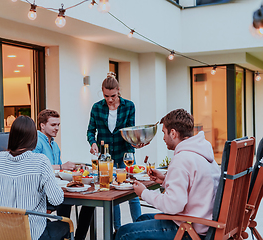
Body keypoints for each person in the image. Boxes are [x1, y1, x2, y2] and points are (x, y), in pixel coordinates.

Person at [115, 109, 221, 240]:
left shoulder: (182, 159)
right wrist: (165, 180)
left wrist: (144, 193)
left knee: (124, 233)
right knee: (141, 219)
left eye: (164, 133)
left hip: (190, 228)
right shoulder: (202, 152)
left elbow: (173, 205)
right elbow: (196, 185)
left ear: (173, 133)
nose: (163, 138)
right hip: (205, 222)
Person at [0, 116, 69, 240]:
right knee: (65, 226)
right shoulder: (40, 161)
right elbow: (56, 200)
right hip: (33, 233)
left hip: (5, 233)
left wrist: (3, 185)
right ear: (33, 138)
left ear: (11, 136)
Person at [87, 72, 141, 232]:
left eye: (113, 95)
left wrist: (135, 145)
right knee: (112, 193)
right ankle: (117, 229)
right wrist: (93, 143)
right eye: (106, 96)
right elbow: (91, 131)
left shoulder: (129, 106)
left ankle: (138, 226)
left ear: (118, 91)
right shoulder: (97, 107)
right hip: (106, 157)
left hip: (125, 153)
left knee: (133, 190)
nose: (109, 99)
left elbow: (131, 131)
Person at [33, 109, 95, 240]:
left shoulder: (54, 145)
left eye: (58, 125)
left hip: (58, 187)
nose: (57, 128)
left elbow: (60, 172)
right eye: (53, 125)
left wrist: (74, 169)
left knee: (91, 201)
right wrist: (62, 166)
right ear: (42, 125)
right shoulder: (36, 142)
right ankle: (65, 232)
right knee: (65, 201)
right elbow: (35, 167)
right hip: (43, 191)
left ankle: (78, 237)